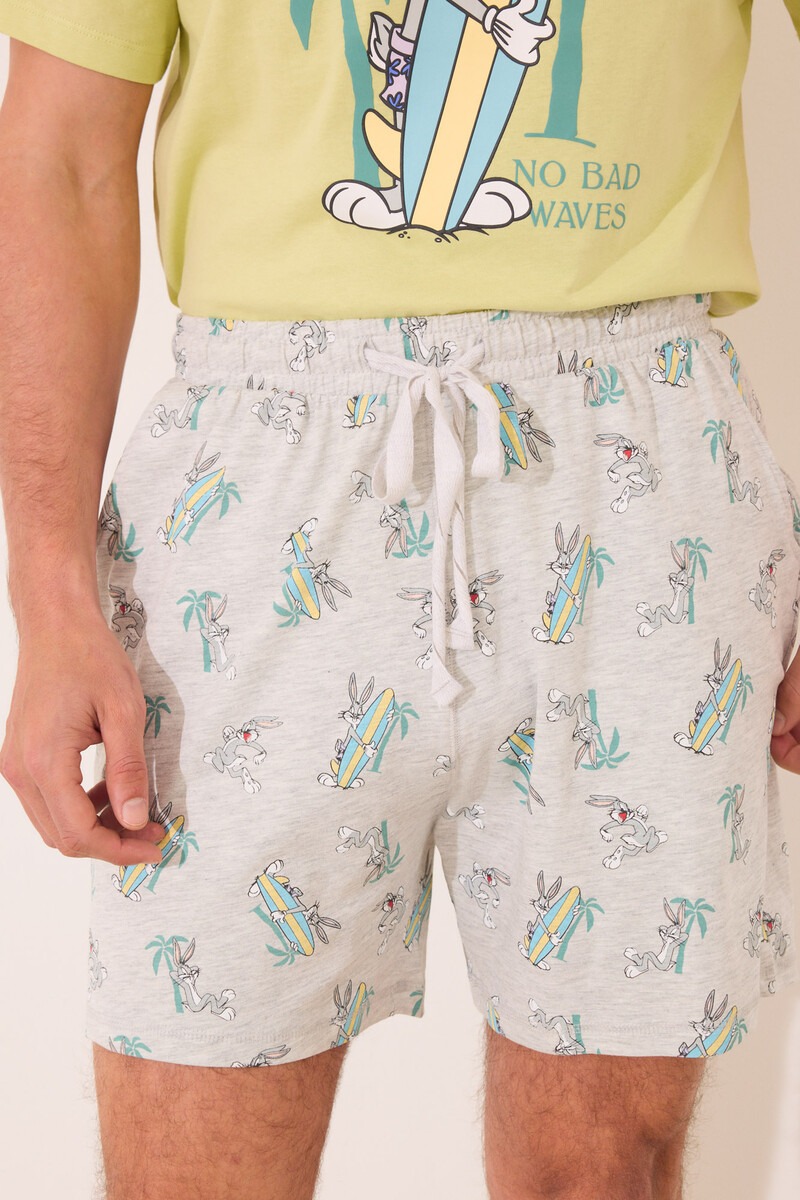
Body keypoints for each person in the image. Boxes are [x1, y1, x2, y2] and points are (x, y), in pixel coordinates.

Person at [1, 2, 799, 1198]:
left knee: (600, 1173)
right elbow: (60, 154)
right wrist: (49, 594)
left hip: (635, 470)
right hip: (257, 483)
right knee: (190, 1166)